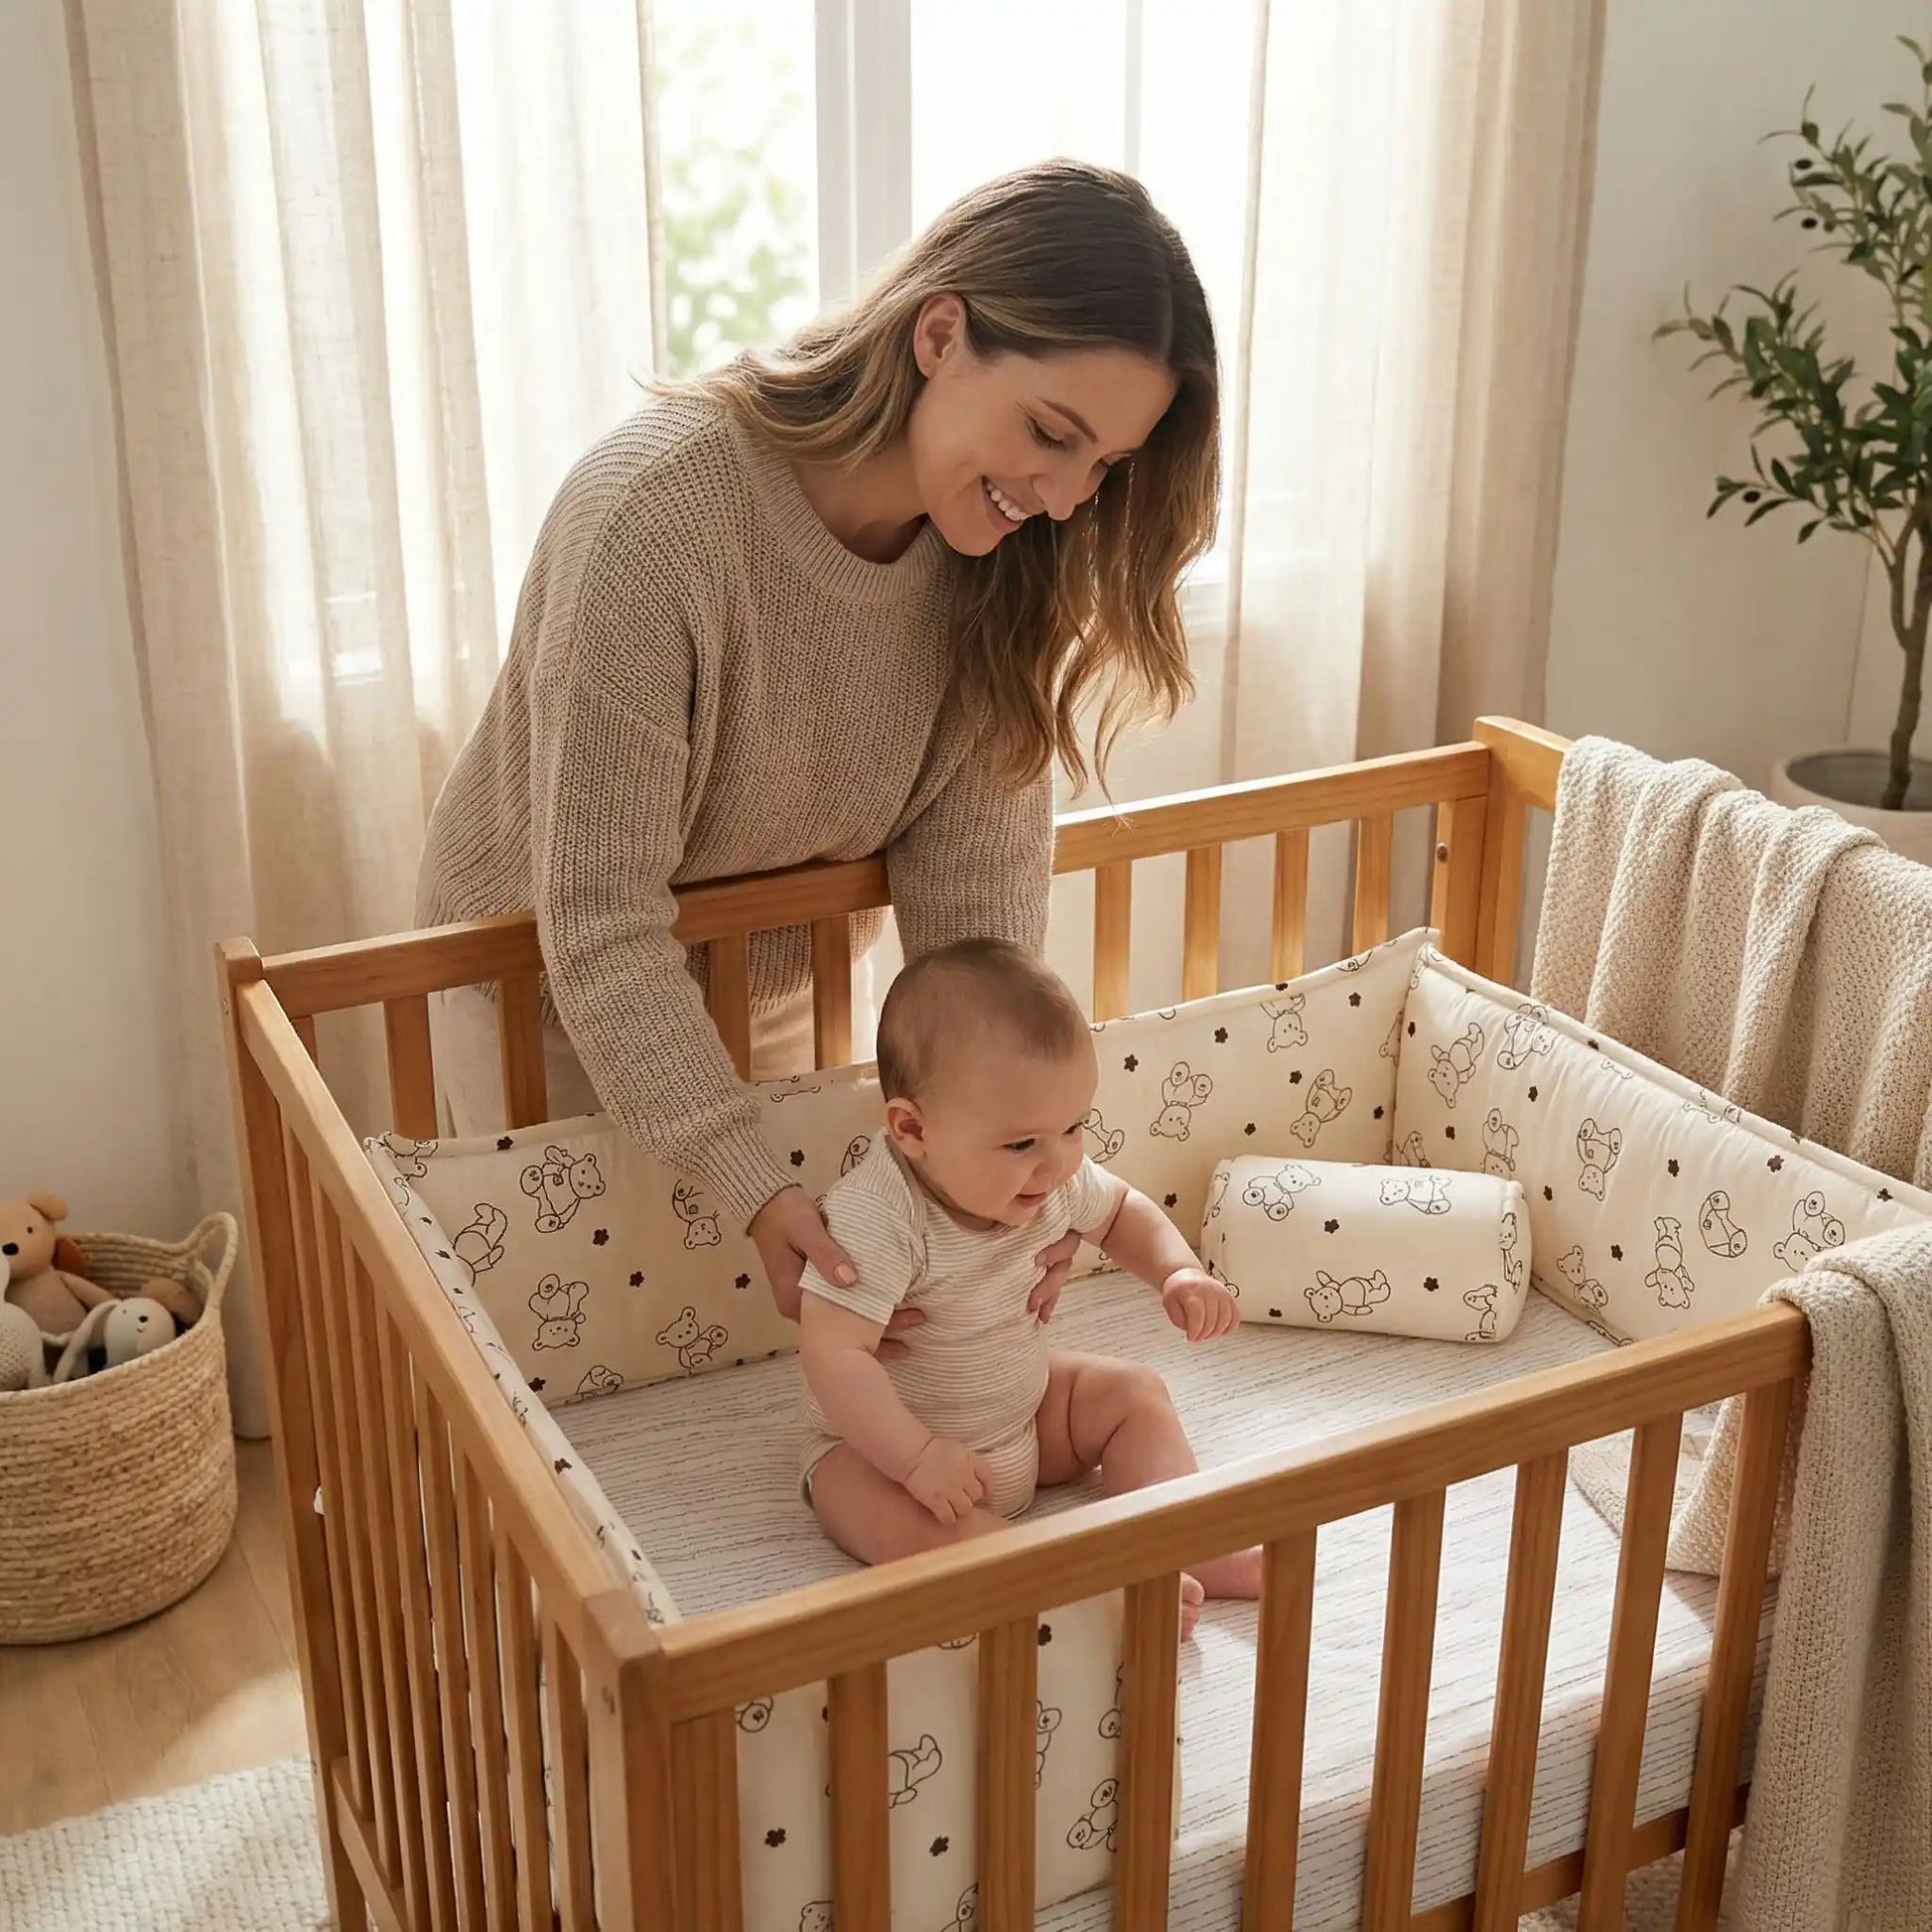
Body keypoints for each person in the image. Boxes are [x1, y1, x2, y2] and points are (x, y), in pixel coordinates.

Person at [418, 159, 1219, 1336]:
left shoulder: (1000, 569)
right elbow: (596, 920)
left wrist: (1013, 1184)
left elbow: (976, 945)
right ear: (939, 333)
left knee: (756, 1337)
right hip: (539, 972)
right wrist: (750, 1183)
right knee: (570, 1347)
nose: (1060, 496)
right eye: (1051, 433)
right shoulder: (654, 520)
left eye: (1100, 466)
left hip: (764, 964)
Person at [797, 940, 1260, 1637]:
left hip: (1025, 1413)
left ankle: (1186, 1534)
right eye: (1022, 1145)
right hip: (883, 1454)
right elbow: (834, 1355)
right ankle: (1086, 1593)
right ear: (913, 1129)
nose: (1059, 1162)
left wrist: (1178, 1270)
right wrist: (916, 1457)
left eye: (1074, 1127)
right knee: (921, 1536)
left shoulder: (1051, 1176)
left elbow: (1123, 1208)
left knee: (1133, 1393)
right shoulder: (877, 1215)